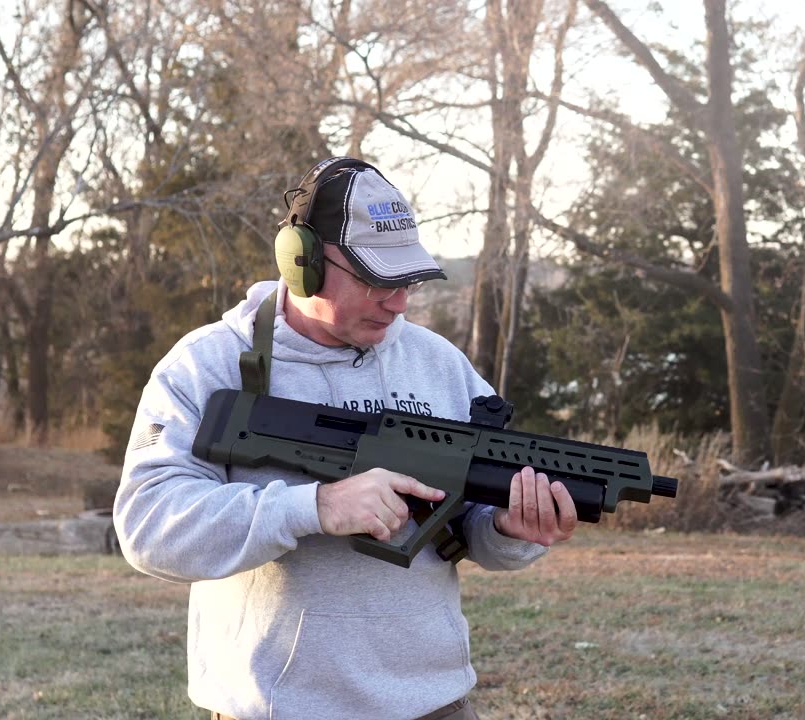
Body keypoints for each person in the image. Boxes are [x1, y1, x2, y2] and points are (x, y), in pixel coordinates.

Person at [114, 157, 579, 720]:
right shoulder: (208, 364)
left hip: (434, 705)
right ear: (301, 262)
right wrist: (313, 506)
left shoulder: (439, 365)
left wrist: (510, 529)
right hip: (277, 710)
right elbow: (147, 525)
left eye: (406, 279)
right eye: (374, 279)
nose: (398, 301)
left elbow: (471, 526)